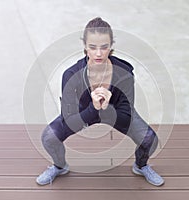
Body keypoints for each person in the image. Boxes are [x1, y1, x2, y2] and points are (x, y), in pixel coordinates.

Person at [36, 17, 164, 186]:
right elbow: (69, 119)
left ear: (111, 46)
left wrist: (107, 109)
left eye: (104, 47)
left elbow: (127, 116)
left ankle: (141, 166)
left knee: (149, 139)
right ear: (85, 46)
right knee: (49, 137)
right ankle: (60, 166)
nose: (98, 53)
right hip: (83, 113)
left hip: (117, 112)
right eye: (92, 47)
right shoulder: (71, 75)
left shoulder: (124, 72)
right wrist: (94, 108)